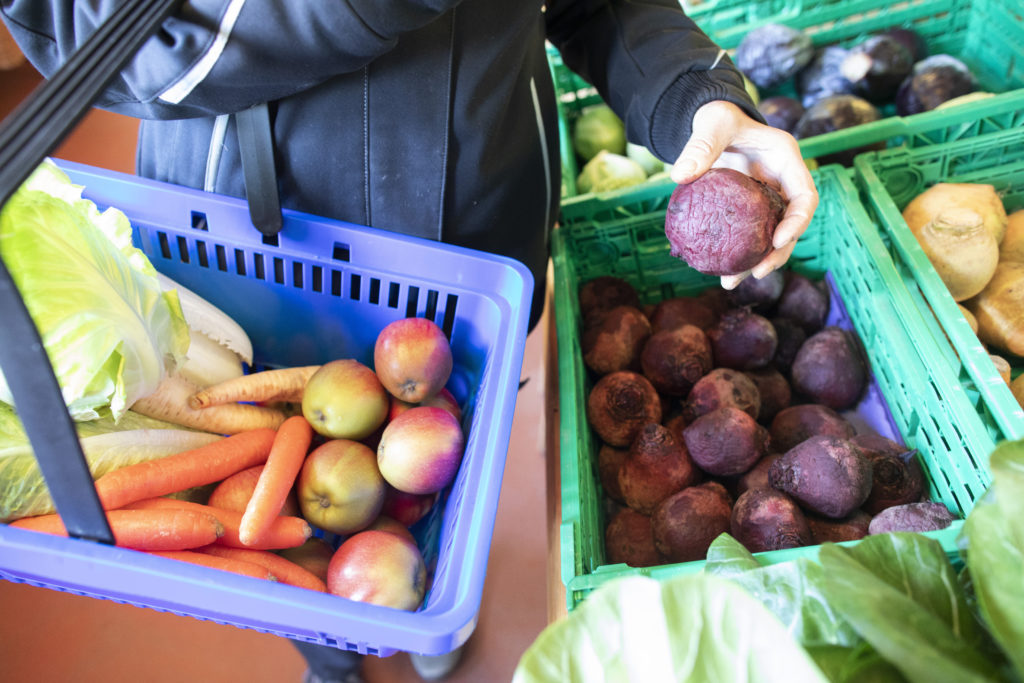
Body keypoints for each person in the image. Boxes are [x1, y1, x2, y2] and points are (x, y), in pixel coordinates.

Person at [1, 1, 817, 681]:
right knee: (261, 480)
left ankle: (412, 581)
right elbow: (86, 24)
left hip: (480, 225)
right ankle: (327, 643)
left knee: (444, 451)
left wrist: (691, 96)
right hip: (252, 249)